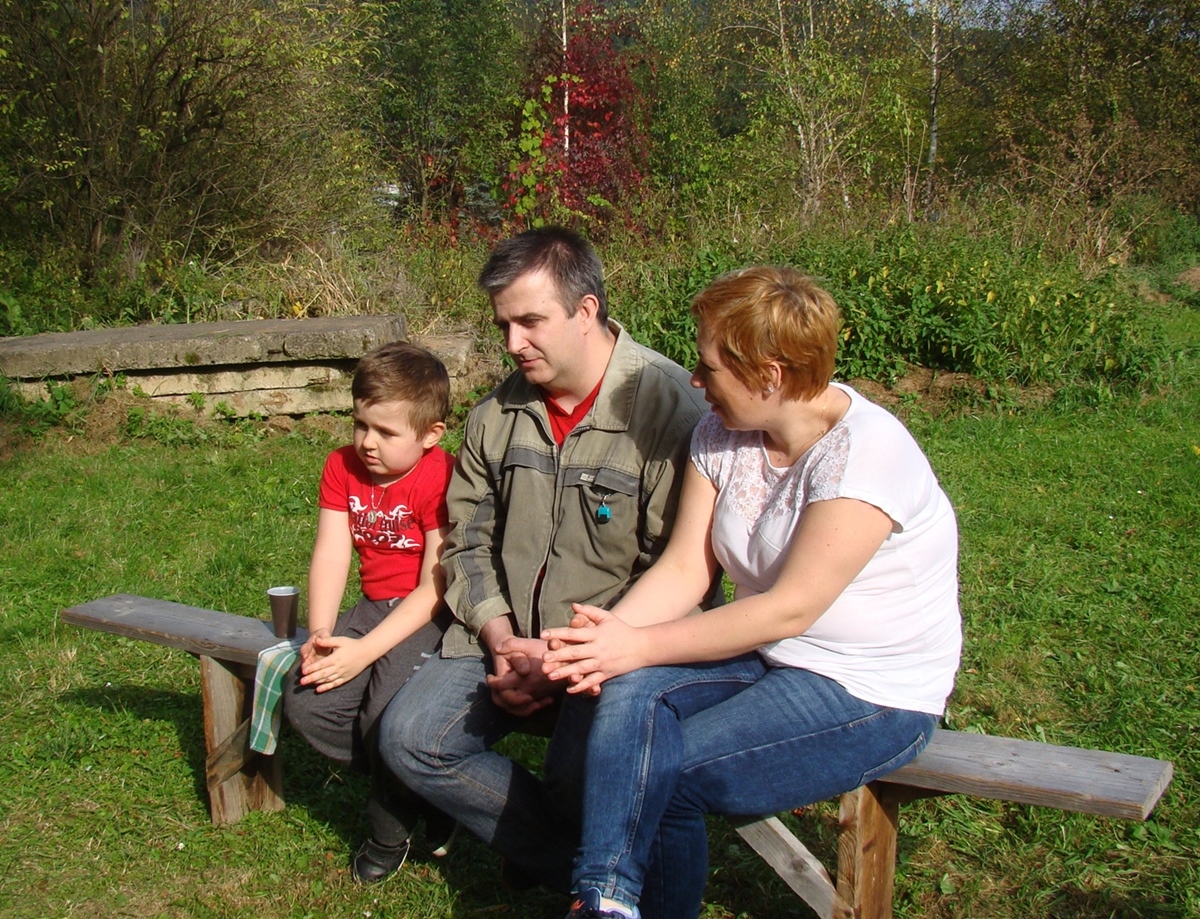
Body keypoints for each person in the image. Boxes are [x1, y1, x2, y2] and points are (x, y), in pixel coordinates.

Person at [540, 266, 962, 919]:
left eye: (709, 367)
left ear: (769, 375)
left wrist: (637, 645)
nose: (694, 380)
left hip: (871, 690)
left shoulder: (868, 454)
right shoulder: (721, 433)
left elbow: (790, 607)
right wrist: (606, 642)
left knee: (671, 774)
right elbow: (686, 568)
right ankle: (607, 897)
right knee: (630, 683)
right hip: (771, 656)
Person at [377, 226, 712, 892]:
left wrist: (559, 659)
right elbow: (467, 538)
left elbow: (673, 573)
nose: (512, 343)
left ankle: (578, 856)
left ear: (586, 311)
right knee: (409, 738)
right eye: (503, 324)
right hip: (500, 638)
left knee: (580, 770)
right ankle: (570, 864)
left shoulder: (671, 412)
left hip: (612, 650)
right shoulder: (495, 415)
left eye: (529, 322)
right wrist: (501, 637)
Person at [283, 340, 459, 883]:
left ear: (431, 434)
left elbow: (436, 584)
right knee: (306, 702)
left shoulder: (442, 476)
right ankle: (426, 792)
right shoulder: (342, 466)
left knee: (387, 719)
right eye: (360, 424)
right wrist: (321, 633)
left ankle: (387, 834)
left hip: (427, 615)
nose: (367, 442)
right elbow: (332, 553)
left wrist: (363, 654)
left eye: (385, 431)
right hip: (370, 607)